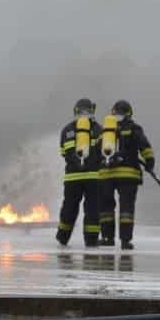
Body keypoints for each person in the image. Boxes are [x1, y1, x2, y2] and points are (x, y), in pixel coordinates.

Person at [101, 99, 155, 250]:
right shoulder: (134, 128)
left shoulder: (106, 130)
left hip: (107, 174)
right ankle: (125, 241)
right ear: (129, 113)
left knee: (106, 208)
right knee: (126, 209)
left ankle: (107, 238)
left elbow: (96, 150)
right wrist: (150, 161)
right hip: (128, 175)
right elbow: (144, 146)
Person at [56, 98, 103, 248]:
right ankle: (91, 240)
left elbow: (65, 152)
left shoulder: (68, 130)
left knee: (69, 207)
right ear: (92, 110)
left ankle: (63, 237)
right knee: (92, 209)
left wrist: (77, 163)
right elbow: (105, 152)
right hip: (93, 177)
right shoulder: (99, 130)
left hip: (73, 177)